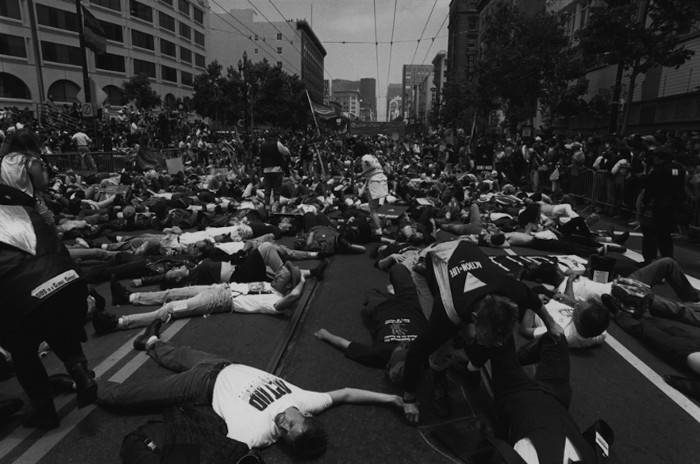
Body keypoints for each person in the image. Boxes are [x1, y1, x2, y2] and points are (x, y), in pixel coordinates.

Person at [99, 324, 404, 459]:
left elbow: (219, 455)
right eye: (292, 424)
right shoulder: (309, 401)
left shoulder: (257, 435)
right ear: (306, 416)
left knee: (126, 397)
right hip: (220, 363)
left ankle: (82, 385)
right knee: (174, 353)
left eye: (285, 433)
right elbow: (348, 393)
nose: (283, 425)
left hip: (200, 387)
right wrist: (391, 398)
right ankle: (150, 343)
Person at [401, 240, 561, 424]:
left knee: (475, 336)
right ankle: (439, 379)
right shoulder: (448, 311)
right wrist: (409, 399)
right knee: (442, 345)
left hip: (464, 252)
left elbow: (532, 298)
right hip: (430, 263)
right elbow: (417, 351)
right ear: (475, 318)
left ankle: (470, 359)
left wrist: (551, 324)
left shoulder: (509, 288)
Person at [0, 144, 97, 429]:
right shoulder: (27, 209)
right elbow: (58, 251)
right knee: (55, 318)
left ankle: (43, 409)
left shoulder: (23, 206)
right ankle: (79, 368)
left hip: (24, 293)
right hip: (67, 283)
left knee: (23, 349)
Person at [489, 334, 598, 463]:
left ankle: (477, 366)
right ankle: (515, 361)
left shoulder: (531, 458)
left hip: (518, 395)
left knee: (499, 333)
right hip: (556, 398)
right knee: (556, 338)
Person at [314, 263, 427, 383]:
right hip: (411, 306)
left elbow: (346, 344)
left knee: (371, 293)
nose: (405, 344)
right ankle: (393, 292)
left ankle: (392, 293)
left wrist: (326, 336)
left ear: (388, 364)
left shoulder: (380, 355)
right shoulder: (423, 351)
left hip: (382, 306)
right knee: (397, 269)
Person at [639, 146, 686, 263]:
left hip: (657, 206)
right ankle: (668, 260)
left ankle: (649, 260)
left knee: (650, 234)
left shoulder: (658, 170)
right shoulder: (679, 168)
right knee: (665, 235)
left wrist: (645, 204)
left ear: (659, 158)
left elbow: (650, 188)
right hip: (672, 206)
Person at [359, 154, 388, 237]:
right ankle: (383, 226)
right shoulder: (373, 157)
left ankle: (379, 229)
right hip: (382, 180)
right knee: (381, 207)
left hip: (375, 182)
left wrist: (361, 174)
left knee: (372, 209)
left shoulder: (365, 158)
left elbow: (372, 166)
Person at [259, 135, 291, 210]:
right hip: (276, 169)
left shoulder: (262, 145)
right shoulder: (277, 144)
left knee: (267, 190)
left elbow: (261, 157)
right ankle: (275, 207)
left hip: (266, 170)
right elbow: (287, 152)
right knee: (277, 190)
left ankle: (266, 207)